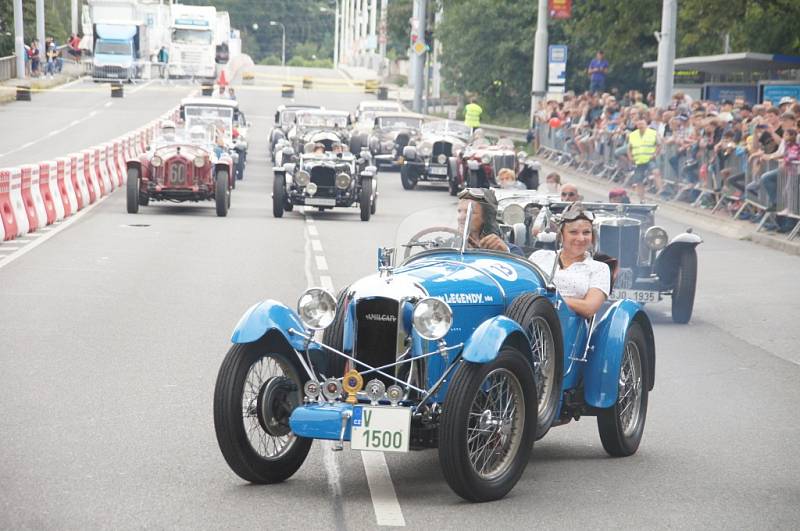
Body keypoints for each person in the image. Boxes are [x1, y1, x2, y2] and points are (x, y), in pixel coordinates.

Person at [529, 203, 610, 319]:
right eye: (573, 232)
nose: (581, 238)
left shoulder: (599, 268)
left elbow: (589, 308)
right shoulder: (539, 257)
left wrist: (549, 301)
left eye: (586, 232)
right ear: (561, 235)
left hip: (568, 328)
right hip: (533, 320)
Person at [456, 188, 523, 255]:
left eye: (469, 212)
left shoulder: (511, 250)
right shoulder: (450, 245)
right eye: (459, 211)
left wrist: (505, 252)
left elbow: (519, 261)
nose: (460, 217)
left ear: (486, 217)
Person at [627, 118, 660, 202]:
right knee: (639, 180)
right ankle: (642, 200)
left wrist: (655, 154)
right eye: (639, 124)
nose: (641, 126)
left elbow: (659, 145)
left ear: (646, 125)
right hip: (639, 160)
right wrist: (630, 157)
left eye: (642, 124)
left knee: (656, 172)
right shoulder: (633, 135)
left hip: (650, 158)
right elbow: (629, 148)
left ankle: (661, 192)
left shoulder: (653, 133)